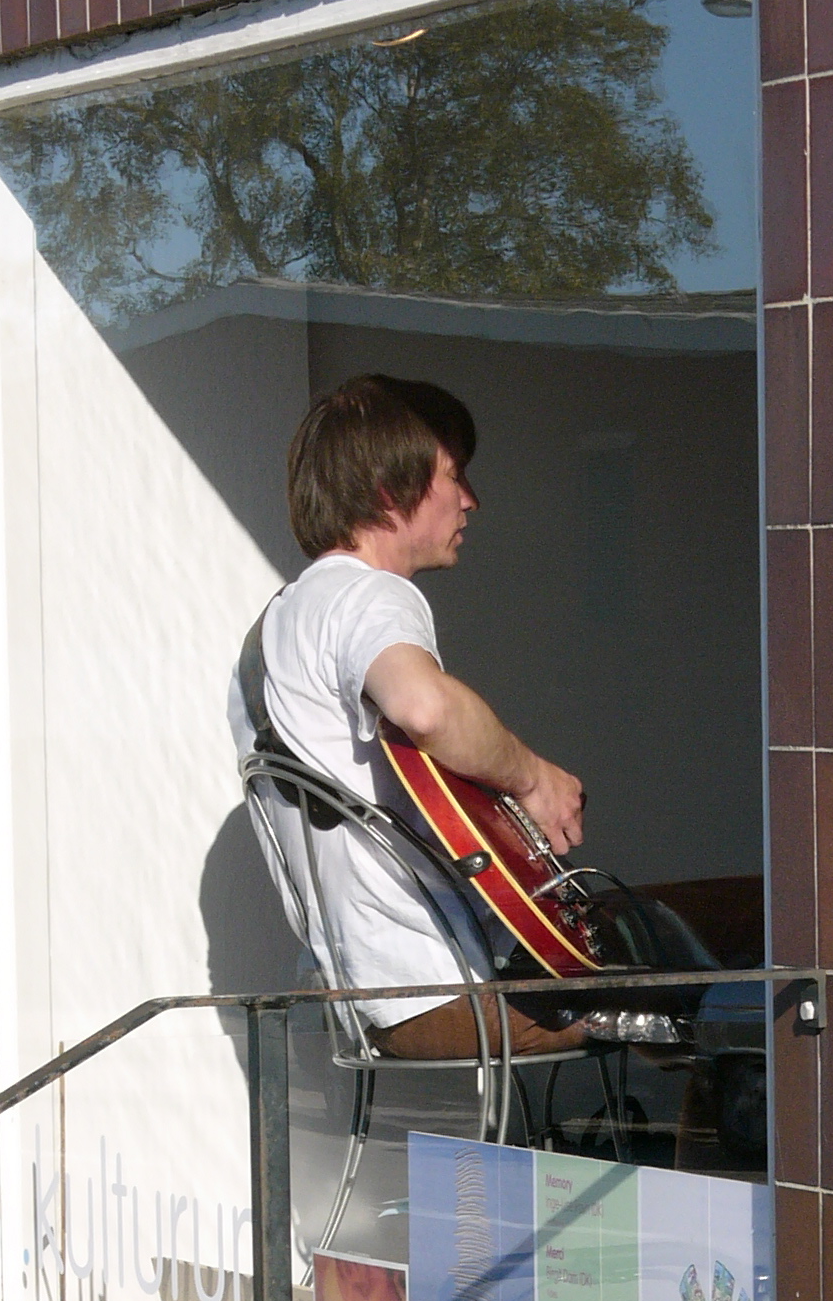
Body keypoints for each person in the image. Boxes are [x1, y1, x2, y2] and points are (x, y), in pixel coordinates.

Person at [233, 373, 589, 1058]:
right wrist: (533, 777)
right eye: (453, 476)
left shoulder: (275, 628)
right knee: (704, 978)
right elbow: (423, 708)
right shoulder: (368, 597)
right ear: (387, 492)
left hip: (365, 996)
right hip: (438, 990)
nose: (470, 499)